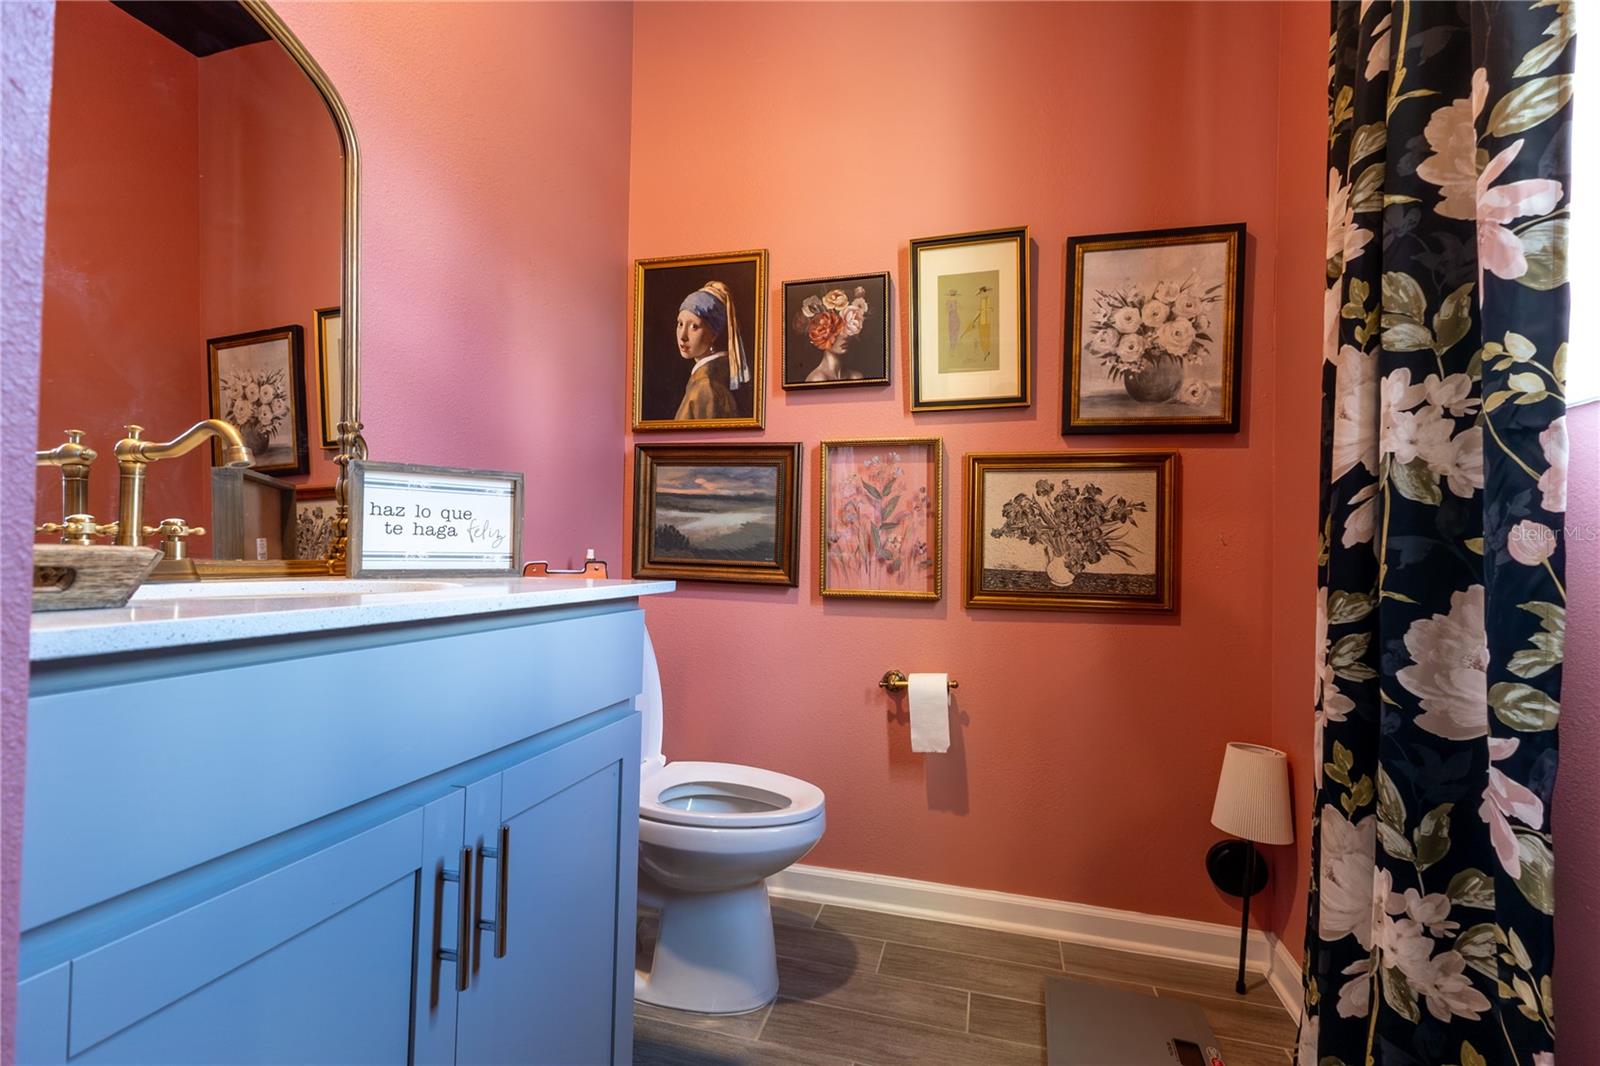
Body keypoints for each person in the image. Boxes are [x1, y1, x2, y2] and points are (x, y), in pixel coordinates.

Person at [673, 281, 750, 420]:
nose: (683, 336)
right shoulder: (708, 379)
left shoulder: (706, 386)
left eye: (694, 326)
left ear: (713, 334)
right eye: (680, 324)